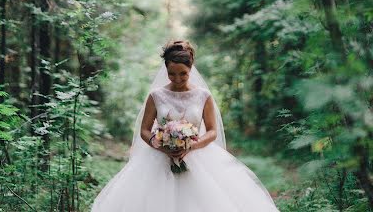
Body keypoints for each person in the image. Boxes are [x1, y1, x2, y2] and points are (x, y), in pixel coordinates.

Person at [91, 39, 280, 211]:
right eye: (172, 74)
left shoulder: (203, 95)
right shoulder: (156, 95)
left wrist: (191, 146)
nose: (178, 79)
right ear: (165, 69)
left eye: (183, 74)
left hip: (198, 156)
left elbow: (212, 131)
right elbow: (144, 130)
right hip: (158, 158)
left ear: (191, 69)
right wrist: (159, 144)